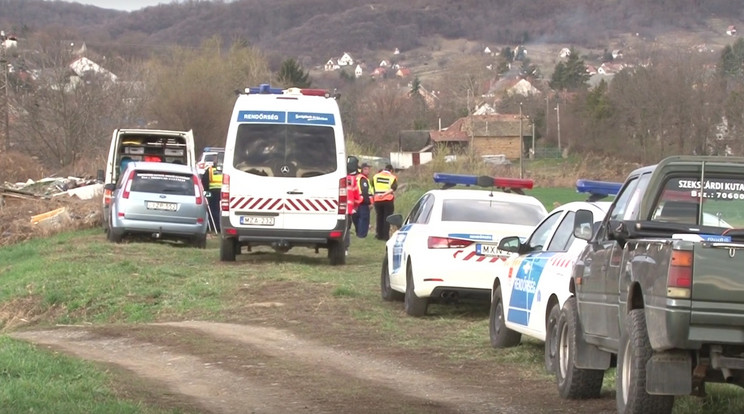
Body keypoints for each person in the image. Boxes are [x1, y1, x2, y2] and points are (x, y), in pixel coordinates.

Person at [372, 164, 398, 240]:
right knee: (387, 218)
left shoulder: (376, 176)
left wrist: (378, 194)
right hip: (388, 200)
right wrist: (384, 194)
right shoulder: (392, 177)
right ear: (391, 170)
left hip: (377, 199)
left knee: (379, 217)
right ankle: (385, 236)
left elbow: (373, 186)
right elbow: (393, 188)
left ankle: (379, 235)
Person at [344, 156, 362, 255]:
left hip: (336, 209)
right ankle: (345, 249)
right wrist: (356, 205)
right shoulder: (352, 179)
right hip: (349, 210)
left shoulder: (337, 177)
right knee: (346, 229)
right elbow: (357, 196)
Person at [201, 161, 222, 233]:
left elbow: (204, 182)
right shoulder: (224, 170)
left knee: (213, 209)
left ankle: (214, 226)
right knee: (221, 210)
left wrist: (206, 192)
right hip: (224, 192)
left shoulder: (210, 170)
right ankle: (219, 226)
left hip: (213, 192)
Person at [353, 163, 373, 238]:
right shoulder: (363, 179)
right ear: (363, 169)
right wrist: (369, 203)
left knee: (357, 218)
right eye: (367, 169)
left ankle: (358, 233)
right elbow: (365, 191)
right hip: (363, 202)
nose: (369, 171)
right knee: (364, 219)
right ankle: (362, 235)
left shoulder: (356, 177)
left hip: (356, 201)